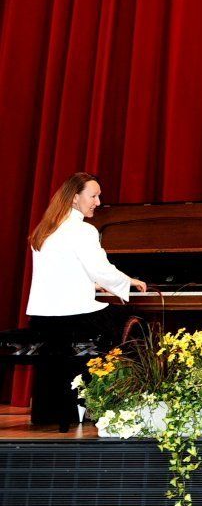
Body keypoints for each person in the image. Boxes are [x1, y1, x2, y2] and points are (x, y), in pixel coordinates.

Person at [25, 172, 147, 424]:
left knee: (93, 329)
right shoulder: (83, 230)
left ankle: (52, 412)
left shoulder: (45, 229)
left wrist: (93, 285)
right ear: (74, 198)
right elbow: (100, 269)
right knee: (137, 324)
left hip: (42, 319)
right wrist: (127, 282)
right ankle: (118, 404)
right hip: (74, 318)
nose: (98, 202)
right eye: (93, 196)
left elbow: (63, 272)